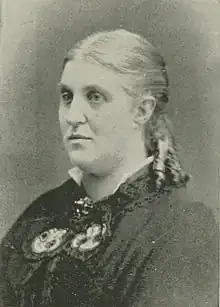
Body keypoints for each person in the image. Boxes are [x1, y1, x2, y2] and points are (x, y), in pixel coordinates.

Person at [0, 29, 218, 307]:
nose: (73, 116)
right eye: (67, 96)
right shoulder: (41, 214)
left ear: (141, 111)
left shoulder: (182, 226)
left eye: (95, 97)